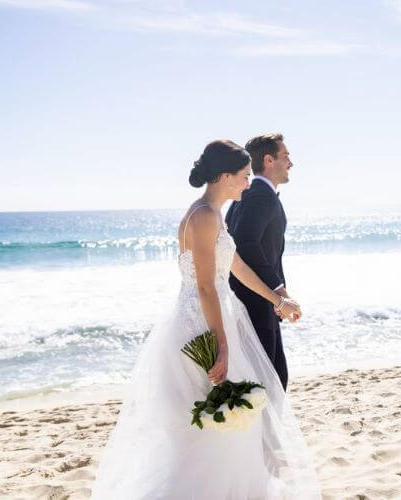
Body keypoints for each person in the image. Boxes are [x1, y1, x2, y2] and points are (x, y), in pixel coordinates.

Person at [91, 140, 320, 499]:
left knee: (231, 423)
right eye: (244, 176)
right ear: (225, 176)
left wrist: (277, 300)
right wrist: (222, 345)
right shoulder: (202, 216)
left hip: (219, 318)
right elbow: (204, 286)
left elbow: (237, 267)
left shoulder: (214, 214)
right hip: (201, 326)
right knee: (204, 422)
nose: (248, 182)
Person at [226, 133, 296, 391]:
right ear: (269, 160)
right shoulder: (259, 196)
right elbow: (245, 245)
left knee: (272, 379)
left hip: (257, 300)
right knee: (270, 383)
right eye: (286, 156)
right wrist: (278, 291)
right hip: (256, 302)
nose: (291, 163)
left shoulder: (251, 194)